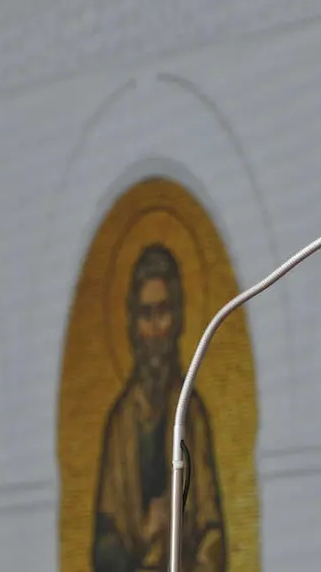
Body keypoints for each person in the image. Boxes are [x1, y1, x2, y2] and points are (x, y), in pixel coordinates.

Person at [93, 244, 225, 572]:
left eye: (163, 312)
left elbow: (213, 532)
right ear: (133, 325)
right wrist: (143, 532)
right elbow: (104, 547)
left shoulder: (190, 414)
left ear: (176, 320)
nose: (154, 329)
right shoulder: (121, 423)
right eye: (145, 314)